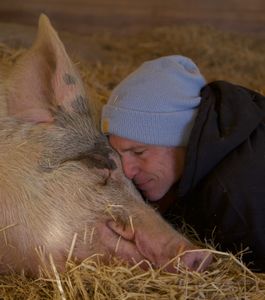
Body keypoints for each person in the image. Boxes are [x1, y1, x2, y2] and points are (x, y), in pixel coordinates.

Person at [101, 55, 265, 272]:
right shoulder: (223, 114)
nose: (128, 171)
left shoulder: (234, 202)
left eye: (139, 152)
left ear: (183, 139)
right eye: (120, 154)